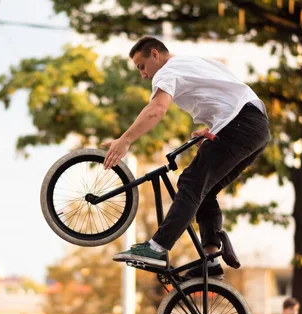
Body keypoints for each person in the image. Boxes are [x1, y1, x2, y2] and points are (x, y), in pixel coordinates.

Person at [103, 37, 270, 279]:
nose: (143, 75)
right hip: (255, 127)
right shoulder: (191, 62)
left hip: (241, 124)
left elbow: (156, 110)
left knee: (191, 183)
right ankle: (211, 259)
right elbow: (227, 89)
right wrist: (214, 126)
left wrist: (125, 139)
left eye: (141, 66)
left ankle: (157, 248)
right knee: (204, 188)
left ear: (155, 54)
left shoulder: (167, 72)